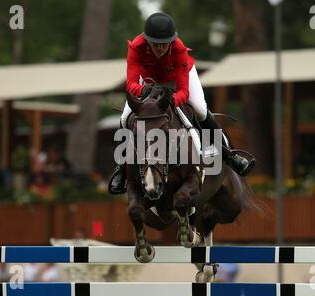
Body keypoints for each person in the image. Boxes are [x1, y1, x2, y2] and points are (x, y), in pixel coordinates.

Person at [108, 12, 255, 194]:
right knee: (124, 119)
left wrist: (171, 101)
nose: (161, 49)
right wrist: (142, 91)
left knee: (200, 110)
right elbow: (131, 84)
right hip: (147, 81)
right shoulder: (136, 47)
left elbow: (184, 92)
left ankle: (229, 155)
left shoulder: (178, 49)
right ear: (147, 41)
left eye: (164, 44)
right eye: (156, 45)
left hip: (177, 81)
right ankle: (121, 169)